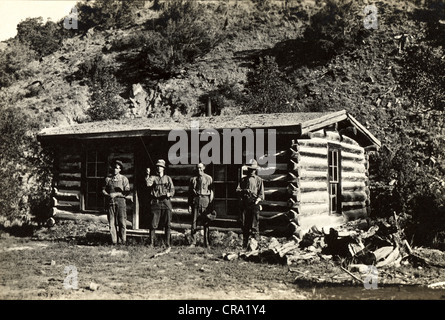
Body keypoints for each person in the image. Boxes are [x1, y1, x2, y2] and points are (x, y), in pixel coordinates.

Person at [146, 159, 175, 248]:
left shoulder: (168, 178)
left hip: (166, 201)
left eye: (161, 167)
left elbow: (173, 189)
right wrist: (147, 174)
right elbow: (148, 184)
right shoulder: (153, 177)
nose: (159, 168)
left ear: (163, 168)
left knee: (167, 224)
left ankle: (167, 243)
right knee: (153, 223)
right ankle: (151, 243)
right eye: (158, 166)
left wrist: (169, 194)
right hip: (156, 202)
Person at [236, 159, 265, 249]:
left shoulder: (258, 180)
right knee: (245, 224)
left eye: (253, 170)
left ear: (255, 170)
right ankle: (245, 245)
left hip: (254, 203)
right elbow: (237, 190)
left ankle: (255, 245)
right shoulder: (243, 180)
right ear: (247, 170)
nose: (252, 171)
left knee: (254, 224)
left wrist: (257, 201)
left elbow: (261, 194)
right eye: (250, 169)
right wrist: (244, 191)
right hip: (245, 203)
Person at [102, 159, 130, 245]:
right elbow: (103, 190)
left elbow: (127, 191)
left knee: (122, 222)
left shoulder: (124, 179)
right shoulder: (108, 179)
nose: (115, 169)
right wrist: (108, 194)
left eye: (117, 168)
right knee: (111, 223)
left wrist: (117, 194)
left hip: (121, 202)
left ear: (120, 169)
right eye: (114, 168)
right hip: (110, 203)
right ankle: (114, 241)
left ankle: (123, 241)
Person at [188, 163, 214, 248]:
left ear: (204, 168)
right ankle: (193, 242)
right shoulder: (193, 179)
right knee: (194, 222)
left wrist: (210, 204)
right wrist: (189, 205)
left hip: (205, 200)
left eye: (201, 168)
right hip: (195, 200)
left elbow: (212, 192)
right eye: (198, 168)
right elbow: (190, 194)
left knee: (206, 222)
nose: (199, 170)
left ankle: (206, 243)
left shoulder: (208, 178)